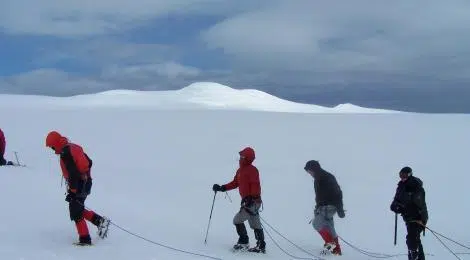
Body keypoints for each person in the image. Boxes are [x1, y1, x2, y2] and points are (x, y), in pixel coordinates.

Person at [45, 131, 110, 246]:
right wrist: (87, 176)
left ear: (55, 143)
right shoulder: (73, 146)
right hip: (86, 182)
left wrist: (73, 191)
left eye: (52, 147)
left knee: (76, 212)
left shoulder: (65, 152)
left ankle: (85, 239)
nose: (52, 149)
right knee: (78, 208)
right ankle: (100, 222)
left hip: (79, 185)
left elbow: (73, 173)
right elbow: (89, 162)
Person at [212, 147, 266, 253]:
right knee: (255, 224)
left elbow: (255, 185)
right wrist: (222, 188)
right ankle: (261, 246)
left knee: (237, 220)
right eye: (240, 156)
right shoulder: (240, 171)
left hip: (253, 202)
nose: (240, 158)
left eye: (242, 156)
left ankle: (244, 242)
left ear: (248, 158)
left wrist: (251, 197)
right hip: (249, 202)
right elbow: (235, 183)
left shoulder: (252, 170)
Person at [304, 160, 345, 256]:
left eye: (309, 171)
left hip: (330, 206)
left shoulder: (325, 177)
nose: (308, 173)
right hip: (324, 206)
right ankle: (336, 250)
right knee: (328, 226)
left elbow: (338, 192)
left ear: (314, 169)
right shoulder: (319, 177)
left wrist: (340, 209)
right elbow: (320, 196)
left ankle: (331, 245)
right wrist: (317, 207)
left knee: (317, 223)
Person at [390, 166, 428, 260]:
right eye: (400, 175)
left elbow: (418, 204)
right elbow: (396, 200)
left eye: (404, 175)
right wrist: (395, 206)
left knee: (412, 239)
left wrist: (403, 208)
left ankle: (414, 257)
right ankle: (415, 257)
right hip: (408, 218)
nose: (402, 178)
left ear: (410, 175)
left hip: (418, 217)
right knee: (414, 240)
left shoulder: (416, 186)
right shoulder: (401, 186)